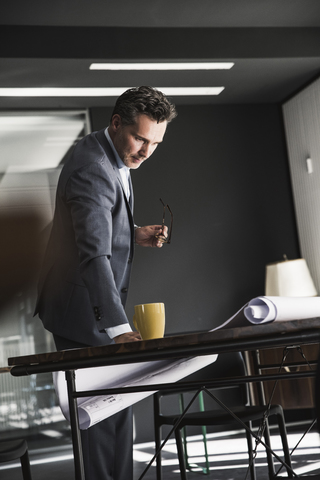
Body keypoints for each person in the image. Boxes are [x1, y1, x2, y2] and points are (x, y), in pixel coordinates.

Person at [34, 86, 177, 480]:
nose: (146, 152)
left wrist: (133, 233)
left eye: (155, 143)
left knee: (118, 412)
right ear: (117, 123)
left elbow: (96, 224)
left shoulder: (109, 152)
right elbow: (93, 254)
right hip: (79, 312)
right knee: (96, 423)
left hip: (88, 303)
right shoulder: (93, 167)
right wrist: (118, 329)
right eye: (140, 138)